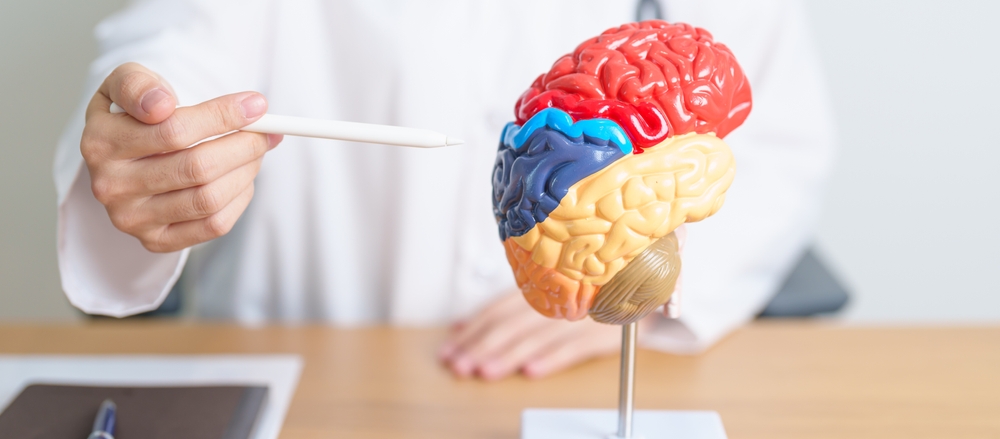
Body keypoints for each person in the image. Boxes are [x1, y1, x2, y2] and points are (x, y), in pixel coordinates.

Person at [55, 0, 835, 380]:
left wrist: (645, 286)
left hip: (581, 376)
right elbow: (172, 45)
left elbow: (780, 135)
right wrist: (153, 133)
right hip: (313, 370)